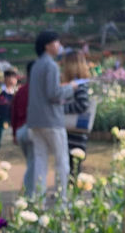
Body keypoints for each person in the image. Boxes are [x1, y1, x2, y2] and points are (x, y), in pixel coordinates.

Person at [26, 30, 76, 201]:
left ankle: (38, 200)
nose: (59, 45)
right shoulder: (51, 66)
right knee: (62, 161)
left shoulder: (36, 65)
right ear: (48, 45)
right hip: (52, 121)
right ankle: (62, 200)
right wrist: (71, 88)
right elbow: (53, 93)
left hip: (35, 120)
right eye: (56, 42)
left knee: (40, 161)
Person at [62, 50, 91, 177]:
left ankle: (72, 195)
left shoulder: (79, 84)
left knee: (73, 170)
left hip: (75, 135)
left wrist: (62, 108)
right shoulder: (77, 83)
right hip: (72, 134)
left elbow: (83, 104)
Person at [11, 62, 34, 193]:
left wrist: (14, 133)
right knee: (33, 164)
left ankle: (27, 191)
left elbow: (13, 113)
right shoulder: (37, 91)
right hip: (31, 130)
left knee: (31, 163)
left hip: (20, 131)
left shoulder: (21, 90)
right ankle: (28, 193)